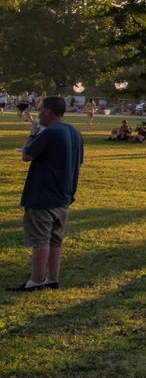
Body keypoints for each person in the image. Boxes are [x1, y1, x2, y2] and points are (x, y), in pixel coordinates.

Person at [12, 95, 84, 291]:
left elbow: (27, 155)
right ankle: (52, 278)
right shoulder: (74, 132)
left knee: (40, 240)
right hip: (63, 196)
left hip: (42, 195)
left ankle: (35, 281)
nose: (38, 114)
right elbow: (78, 162)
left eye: (40, 110)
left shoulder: (50, 132)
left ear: (48, 112)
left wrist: (32, 134)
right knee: (55, 240)